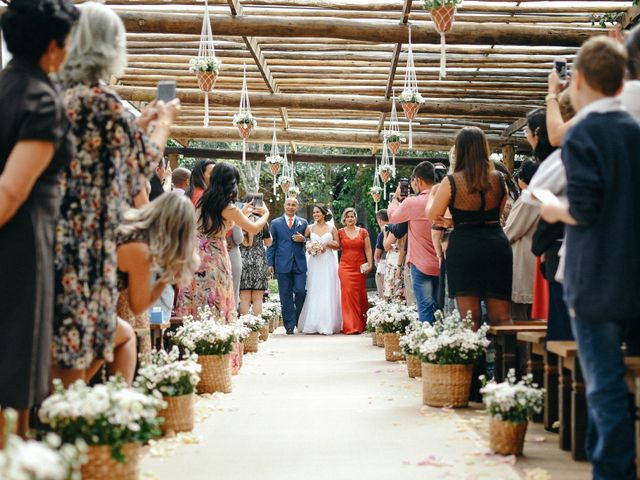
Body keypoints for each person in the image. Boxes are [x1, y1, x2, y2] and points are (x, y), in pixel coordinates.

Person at [52, 2, 180, 387]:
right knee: (85, 344)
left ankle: (54, 413)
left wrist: (136, 124)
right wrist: (165, 123)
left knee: (73, 341)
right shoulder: (102, 103)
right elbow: (139, 166)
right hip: (89, 244)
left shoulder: (60, 98)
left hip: (51, 234)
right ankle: (66, 417)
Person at [540, 36, 640, 480]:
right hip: (633, 272)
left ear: (577, 80)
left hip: (595, 277)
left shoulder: (582, 134)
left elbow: (584, 207)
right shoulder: (635, 132)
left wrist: (550, 207)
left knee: (604, 387)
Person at [0, 0, 78, 435]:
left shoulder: (6, 86)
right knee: (16, 356)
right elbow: (11, 191)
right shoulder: (40, 100)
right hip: (20, 241)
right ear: (53, 45)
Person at [428, 127, 512, 329]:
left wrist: (433, 198)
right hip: (496, 244)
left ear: (460, 150)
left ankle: (473, 360)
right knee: (501, 317)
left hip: (464, 246)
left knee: (470, 318)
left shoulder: (451, 182)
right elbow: (500, 213)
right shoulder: (499, 180)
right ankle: (505, 360)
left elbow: (433, 216)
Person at [115, 193, 199, 381]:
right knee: (129, 337)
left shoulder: (130, 231)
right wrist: (166, 278)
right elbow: (138, 306)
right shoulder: (141, 249)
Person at [175, 163, 269, 322]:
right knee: (215, 295)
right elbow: (253, 228)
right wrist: (266, 214)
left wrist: (240, 214)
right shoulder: (227, 206)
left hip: (195, 252)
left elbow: (215, 226)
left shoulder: (202, 199)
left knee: (195, 293)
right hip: (215, 255)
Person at [388, 162, 439, 323]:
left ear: (418, 181)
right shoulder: (443, 200)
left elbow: (393, 217)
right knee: (440, 309)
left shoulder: (412, 203)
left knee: (424, 307)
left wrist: (396, 198)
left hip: (420, 263)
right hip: (442, 263)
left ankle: (426, 345)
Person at [266, 197, 308, 334]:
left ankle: (297, 319)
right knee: (285, 295)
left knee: (301, 291)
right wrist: (270, 263)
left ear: (297, 207)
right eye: (289, 204)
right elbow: (272, 245)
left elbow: (310, 243)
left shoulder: (303, 222)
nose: (291, 207)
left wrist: (304, 240)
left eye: (294, 205)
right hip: (282, 263)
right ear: (284, 206)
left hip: (299, 263)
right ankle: (289, 325)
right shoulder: (275, 223)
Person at [298, 204, 342, 335]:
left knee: (327, 288)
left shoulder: (332, 228)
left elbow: (338, 245)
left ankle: (327, 323)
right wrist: (311, 246)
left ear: (324, 214)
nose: (315, 214)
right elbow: (304, 242)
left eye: (317, 212)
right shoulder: (309, 228)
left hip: (328, 261)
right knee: (314, 288)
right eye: (314, 213)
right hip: (314, 262)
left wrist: (327, 244)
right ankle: (312, 322)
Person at [503, 160, 539, 320]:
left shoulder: (528, 198)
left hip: (524, 263)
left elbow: (511, 231)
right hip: (534, 260)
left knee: (519, 316)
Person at [338, 208, 372, 334]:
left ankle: (362, 323)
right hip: (345, 267)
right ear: (344, 219)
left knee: (360, 293)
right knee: (348, 293)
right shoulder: (340, 232)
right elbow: (336, 246)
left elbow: (368, 249)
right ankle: (351, 326)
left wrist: (370, 264)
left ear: (355, 218)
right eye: (348, 217)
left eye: (352, 216)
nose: (350, 219)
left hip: (359, 266)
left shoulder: (363, 232)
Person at [239, 195, 272, 316]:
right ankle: (255, 328)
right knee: (258, 298)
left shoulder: (239, 220)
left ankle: (245, 329)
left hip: (242, 258)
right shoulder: (262, 221)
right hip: (258, 259)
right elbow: (269, 243)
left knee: (244, 298)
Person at [374, 209, 389, 297]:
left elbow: (377, 254)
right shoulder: (397, 227)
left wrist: (377, 264)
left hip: (383, 265)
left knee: (383, 294)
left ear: (379, 220)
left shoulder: (382, 233)